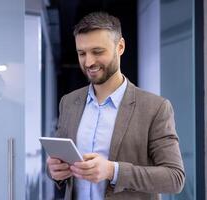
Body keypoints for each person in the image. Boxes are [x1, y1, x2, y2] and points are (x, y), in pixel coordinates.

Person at [46, 12, 185, 200]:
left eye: (97, 52)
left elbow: (174, 178)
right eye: (82, 53)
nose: (88, 62)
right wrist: (54, 170)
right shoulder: (69, 103)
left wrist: (113, 170)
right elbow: (60, 165)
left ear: (120, 47)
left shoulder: (155, 108)